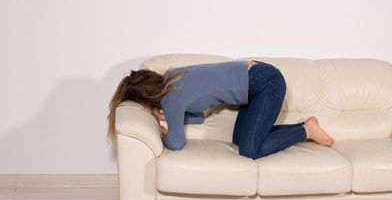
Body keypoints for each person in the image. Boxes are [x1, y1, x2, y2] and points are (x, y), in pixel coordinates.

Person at [107, 59, 335, 159]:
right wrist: (174, 116)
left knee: (250, 151)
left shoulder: (171, 99)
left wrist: (161, 131)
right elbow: (199, 113)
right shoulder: (173, 77)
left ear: (147, 99)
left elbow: (176, 144)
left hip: (265, 83)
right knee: (240, 140)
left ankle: (305, 130)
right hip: (257, 80)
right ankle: (305, 128)